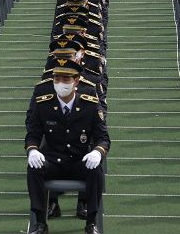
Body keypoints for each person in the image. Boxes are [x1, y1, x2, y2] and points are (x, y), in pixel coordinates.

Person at [25, 59, 107, 234]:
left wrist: (97, 152)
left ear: (76, 81)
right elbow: (33, 134)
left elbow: (103, 138)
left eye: (66, 79)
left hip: (79, 161)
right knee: (33, 168)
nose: (60, 83)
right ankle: (40, 222)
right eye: (56, 79)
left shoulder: (89, 105)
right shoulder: (43, 104)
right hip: (53, 161)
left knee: (96, 170)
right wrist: (32, 149)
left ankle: (91, 223)